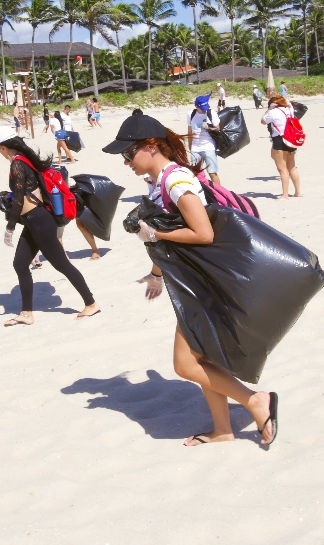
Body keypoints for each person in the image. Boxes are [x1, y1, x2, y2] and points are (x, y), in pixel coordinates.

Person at [101, 115, 278, 447]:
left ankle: (256, 400)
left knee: (185, 364)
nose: (125, 162)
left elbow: (203, 233)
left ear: (151, 147)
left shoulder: (175, 181)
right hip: (196, 281)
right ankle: (223, 429)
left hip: (207, 284)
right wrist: (156, 273)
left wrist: (154, 232)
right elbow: (167, 243)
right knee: (203, 359)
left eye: (129, 154)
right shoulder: (158, 182)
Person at [0, 127, 100, 325]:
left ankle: (91, 303)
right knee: (20, 263)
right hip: (33, 221)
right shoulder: (25, 160)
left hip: (39, 221)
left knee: (62, 264)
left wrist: (9, 227)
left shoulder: (17, 164)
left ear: (2, 148)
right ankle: (26, 313)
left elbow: (19, 200)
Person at [261, 96, 302, 200]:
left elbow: (263, 121)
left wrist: (269, 109)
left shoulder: (273, 112)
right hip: (291, 139)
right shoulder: (290, 109)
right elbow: (288, 103)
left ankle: (285, 195)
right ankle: (298, 192)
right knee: (292, 167)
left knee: (282, 170)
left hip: (279, 140)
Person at [187, 94, 221, 184]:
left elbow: (218, 129)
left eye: (206, 107)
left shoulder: (211, 113)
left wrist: (208, 128)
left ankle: (220, 194)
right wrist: (190, 146)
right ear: (196, 106)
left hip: (208, 146)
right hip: (195, 148)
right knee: (196, 174)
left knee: (212, 173)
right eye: (202, 108)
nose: (205, 110)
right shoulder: (191, 114)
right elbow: (189, 132)